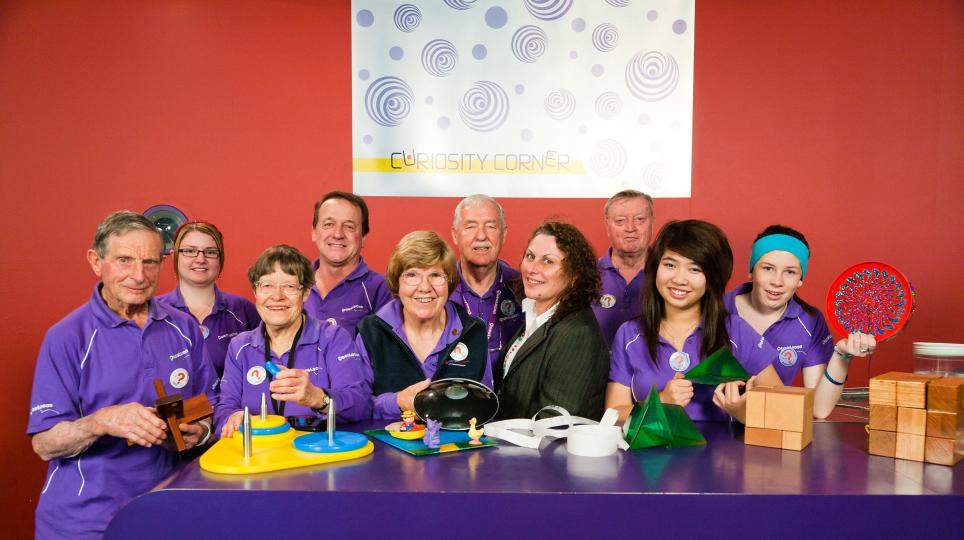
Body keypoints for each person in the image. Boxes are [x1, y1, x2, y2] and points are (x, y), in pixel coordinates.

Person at [27, 211, 216, 540]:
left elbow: (210, 404)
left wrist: (197, 432)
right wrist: (101, 421)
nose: (139, 275)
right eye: (125, 260)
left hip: (169, 509)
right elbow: (44, 444)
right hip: (88, 521)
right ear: (96, 262)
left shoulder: (184, 327)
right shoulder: (67, 337)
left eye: (150, 262)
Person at [606, 220, 784, 424]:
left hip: (723, 455)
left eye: (695, 269)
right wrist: (661, 402)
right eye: (670, 265)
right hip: (649, 454)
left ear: (713, 278)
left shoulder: (735, 330)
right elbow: (612, 415)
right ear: (655, 268)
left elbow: (784, 410)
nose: (680, 279)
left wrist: (741, 411)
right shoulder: (629, 334)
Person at [215, 245, 371, 437]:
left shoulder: (333, 338)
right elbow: (224, 408)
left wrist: (318, 398)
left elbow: (362, 405)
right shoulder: (240, 347)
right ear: (255, 292)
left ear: (305, 293)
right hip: (258, 459)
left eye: (289, 286)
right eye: (267, 285)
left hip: (318, 458)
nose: (277, 296)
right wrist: (233, 416)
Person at [726, 225, 876, 418]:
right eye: (768, 268)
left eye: (790, 272)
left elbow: (818, 409)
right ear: (751, 271)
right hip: (704, 432)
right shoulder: (715, 310)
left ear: (800, 279)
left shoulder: (810, 321)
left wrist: (841, 355)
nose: (777, 281)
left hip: (771, 428)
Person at [357, 231, 488, 420]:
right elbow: (358, 406)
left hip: (457, 447)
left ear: (449, 281)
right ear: (397, 282)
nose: (425, 287)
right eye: (412, 275)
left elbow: (484, 404)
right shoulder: (371, 333)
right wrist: (398, 402)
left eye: (435, 275)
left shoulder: (473, 331)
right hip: (387, 447)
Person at [494, 221, 610, 420]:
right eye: (530, 257)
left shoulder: (577, 334)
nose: (533, 268)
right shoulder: (534, 317)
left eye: (548, 261)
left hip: (539, 451)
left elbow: (556, 424)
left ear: (574, 274)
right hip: (508, 447)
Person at [156, 221, 260, 377]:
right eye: (190, 251)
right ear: (175, 257)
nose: (200, 259)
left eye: (210, 252)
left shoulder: (243, 309)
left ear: (220, 259)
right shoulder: (155, 311)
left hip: (230, 402)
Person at [448, 194, 523, 372]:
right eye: (470, 226)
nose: (481, 235)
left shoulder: (525, 288)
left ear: (504, 234)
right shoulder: (437, 290)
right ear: (455, 235)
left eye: (490, 226)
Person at [304, 191, 391, 335]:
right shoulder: (294, 285)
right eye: (328, 224)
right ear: (314, 232)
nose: (338, 234)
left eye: (349, 226)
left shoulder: (382, 290)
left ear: (363, 237)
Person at [593, 190, 654, 345]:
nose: (630, 228)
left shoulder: (670, 275)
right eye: (620, 221)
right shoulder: (586, 275)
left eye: (640, 219)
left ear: (652, 222)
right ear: (607, 226)